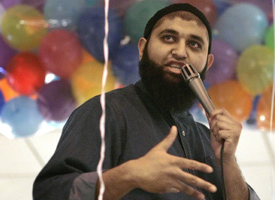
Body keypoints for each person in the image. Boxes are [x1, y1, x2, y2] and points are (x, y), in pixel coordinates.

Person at [33, 3, 260, 200]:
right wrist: (129, 175)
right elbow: (50, 193)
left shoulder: (205, 137)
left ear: (208, 63)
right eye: (168, 38)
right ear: (142, 49)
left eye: (194, 44)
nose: (180, 52)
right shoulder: (105, 112)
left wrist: (227, 160)